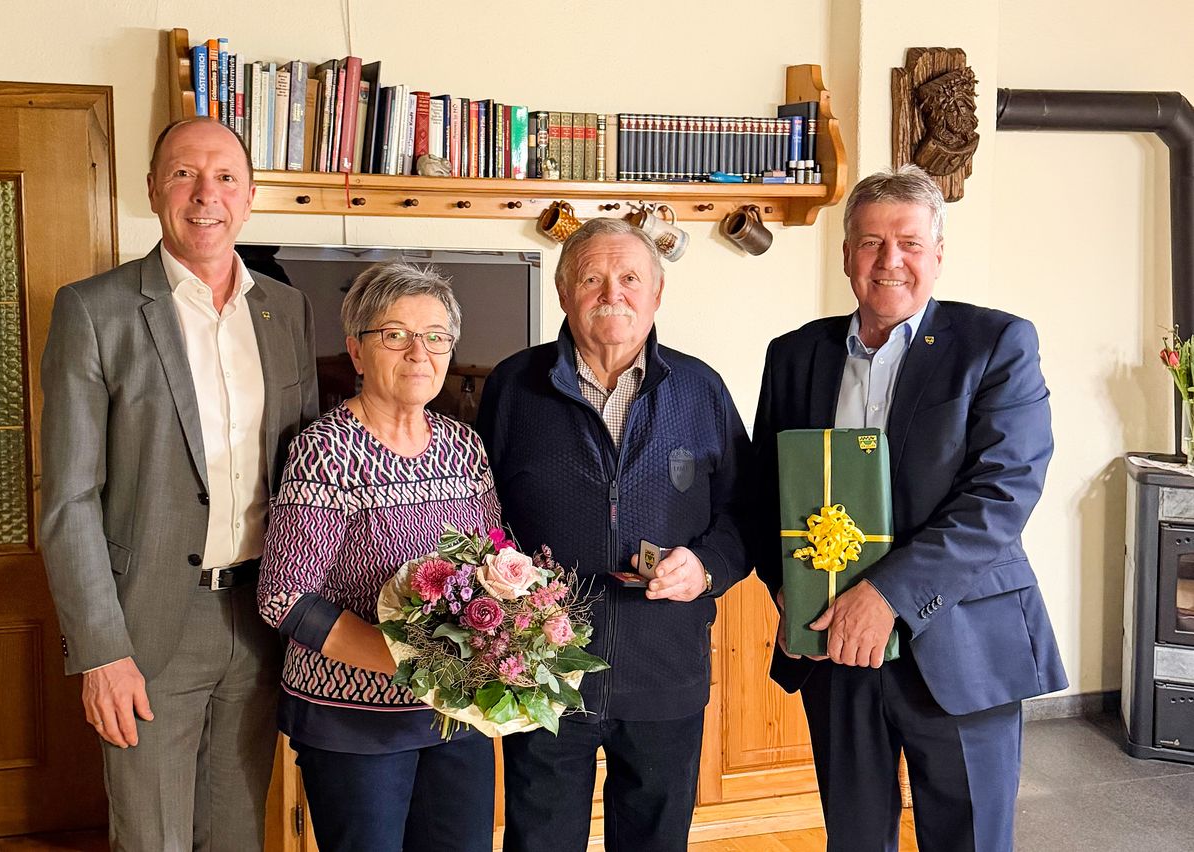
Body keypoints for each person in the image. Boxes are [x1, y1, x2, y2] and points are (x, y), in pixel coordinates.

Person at [752, 164, 1067, 851]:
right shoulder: (794, 355)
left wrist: (886, 595)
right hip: (833, 646)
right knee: (856, 837)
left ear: (938, 254)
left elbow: (1001, 495)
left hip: (962, 646)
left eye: (909, 244)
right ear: (845, 255)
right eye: (870, 243)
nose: (889, 261)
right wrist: (790, 587)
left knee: (970, 839)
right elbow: (761, 492)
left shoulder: (997, 345)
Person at [39, 117, 319, 851]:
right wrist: (101, 651)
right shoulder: (94, 311)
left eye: (225, 176)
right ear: (154, 190)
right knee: (152, 837)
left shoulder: (284, 310)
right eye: (184, 174)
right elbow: (69, 503)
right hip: (148, 625)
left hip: (262, 619)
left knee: (235, 834)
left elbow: (310, 477)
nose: (206, 195)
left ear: (251, 195)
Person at [476, 217, 751, 852]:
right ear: (564, 293)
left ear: (657, 295)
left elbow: (746, 509)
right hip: (543, 669)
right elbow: (475, 513)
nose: (612, 293)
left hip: (666, 664)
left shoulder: (700, 389)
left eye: (630, 278)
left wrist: (706, 567)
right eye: (593, 278)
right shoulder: (513, 386)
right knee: (539, 840)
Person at [257, 261, 499, 852]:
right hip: (352, 722)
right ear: (357, 352)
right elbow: (283, 598)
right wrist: (407, 662)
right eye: (395, 334)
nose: (420, 351)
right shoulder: (326, 450)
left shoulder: (464, 446)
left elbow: (496, 556)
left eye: (436, 336)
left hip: (454, 715)